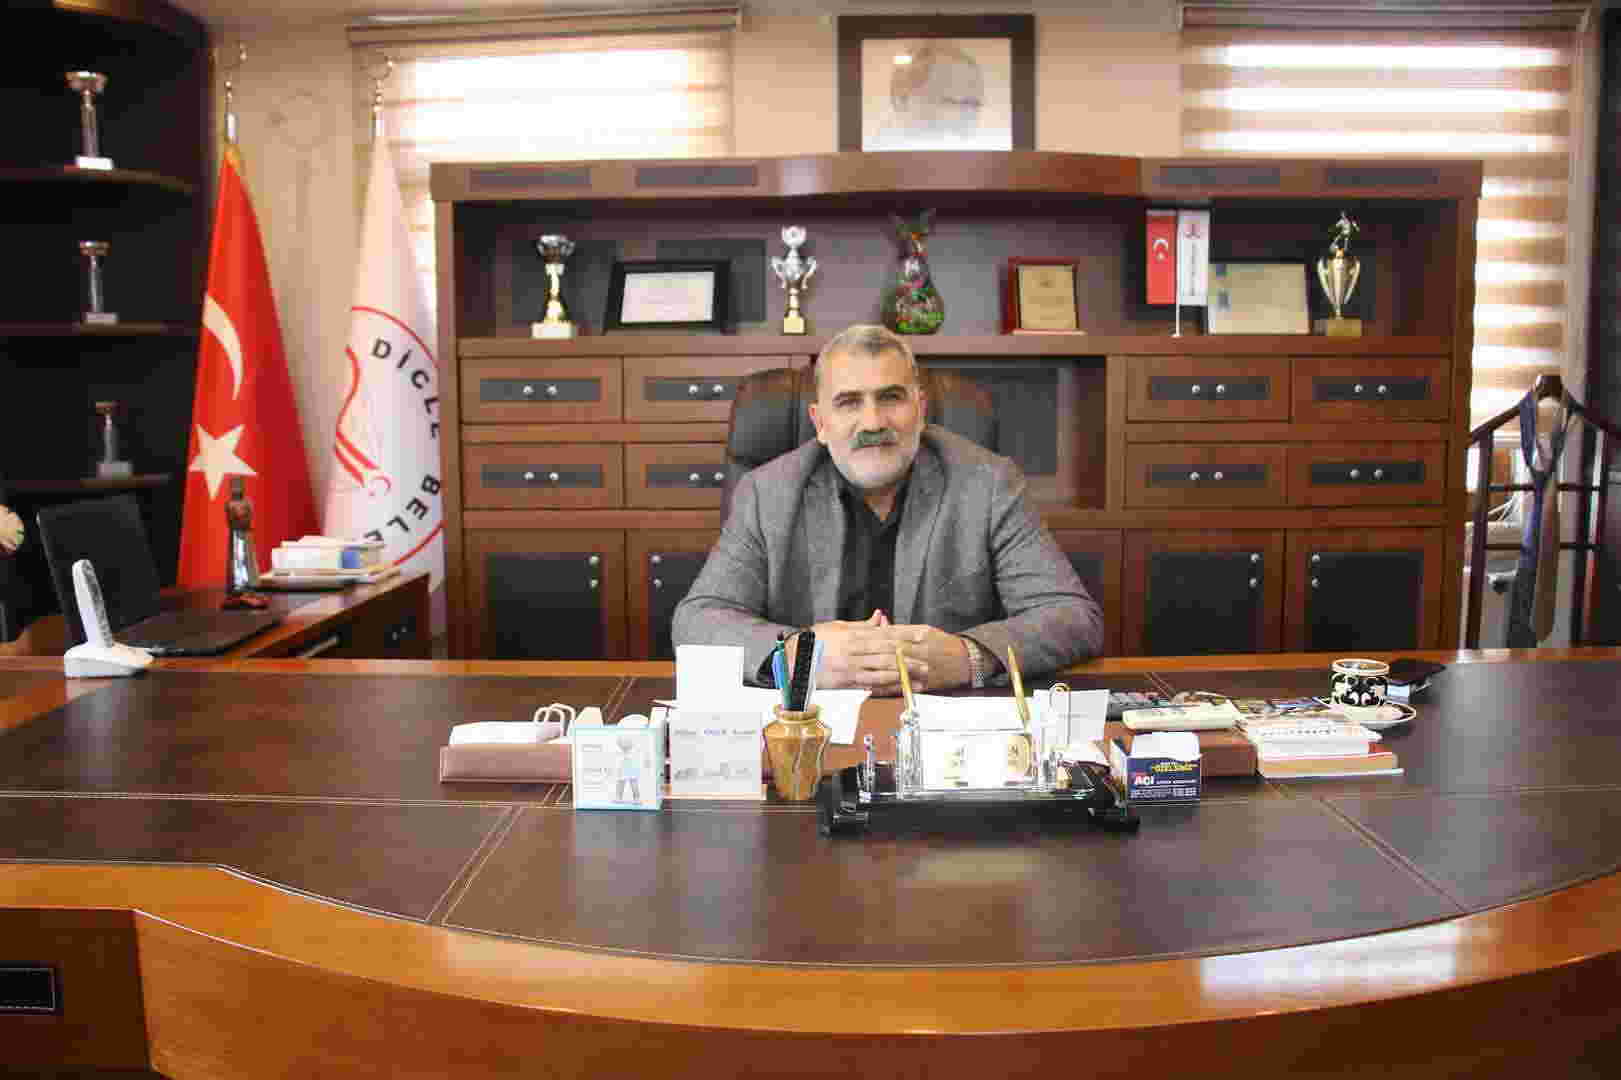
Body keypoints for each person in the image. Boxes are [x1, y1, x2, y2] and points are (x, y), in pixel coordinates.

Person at [671, 324, 1102, 696]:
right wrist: (800, 657)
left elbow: (1072, 616)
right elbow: (697, 622)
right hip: (815, 724)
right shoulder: (767, 493)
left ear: (921, 409)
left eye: (891, 398)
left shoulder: (988, 484)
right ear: (820, 423)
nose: (873, 422)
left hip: (945, 728)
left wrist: (966, 656)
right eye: (849, 402)